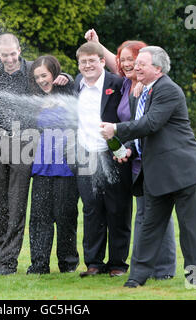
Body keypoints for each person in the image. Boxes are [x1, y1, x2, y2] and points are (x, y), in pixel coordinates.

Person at [100, 46, 196, 288]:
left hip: (184, 173)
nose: (135, 67)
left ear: (157, 69)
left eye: (141, 64)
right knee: (149, 228)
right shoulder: (141, 91)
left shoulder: (168, 90)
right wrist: (129, 147)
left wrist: (116, 129)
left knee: (190, 230)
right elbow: (143, 132)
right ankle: (137, 279)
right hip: (156, 174)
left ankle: (195, 279)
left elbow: (151, 123)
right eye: (135, 63)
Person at [85, 29, 177, 280]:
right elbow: (117, 63)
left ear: (145, 64)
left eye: (133, 61)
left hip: (153, 159)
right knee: (145, 214)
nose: (126, 64)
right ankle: (147, 267)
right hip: (134, 160)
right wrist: (97, 45)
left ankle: (164, 269)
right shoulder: (126, 83)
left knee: (158, 213)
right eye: (123, 59)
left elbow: (148, 124)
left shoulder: (150, 88)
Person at [0, 33, 69, 275]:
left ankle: (9, 263)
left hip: (24, 145)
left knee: (17, 205)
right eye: (4, 54)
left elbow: (56, 76)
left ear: (19, 50)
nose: (9, 58)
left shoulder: (32, 69)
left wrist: (67, 77)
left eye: (13, 53)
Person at [74, 42, 131, 278]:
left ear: (101, 61)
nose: (87, 66)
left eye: (91, 61)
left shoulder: (117, 84)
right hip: (85, 155)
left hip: (114, 155)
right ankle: (94, 262)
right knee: (91, 209)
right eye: (82, 62)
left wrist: (125, 146)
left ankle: (118, 263)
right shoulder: (76, 84)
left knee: (117, 209)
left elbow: (130, 115)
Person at [26, 55, 79, 275]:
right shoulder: (35, 98)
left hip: (66, 165)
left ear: (55, 74)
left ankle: (67, 263)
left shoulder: (68, 92)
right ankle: (39, 264)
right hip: (42, 164)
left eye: (45, 75)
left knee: (65, 214)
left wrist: (66, 78)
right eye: (37, 76)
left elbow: (75, 85)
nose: (41, 80)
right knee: (39, 217)